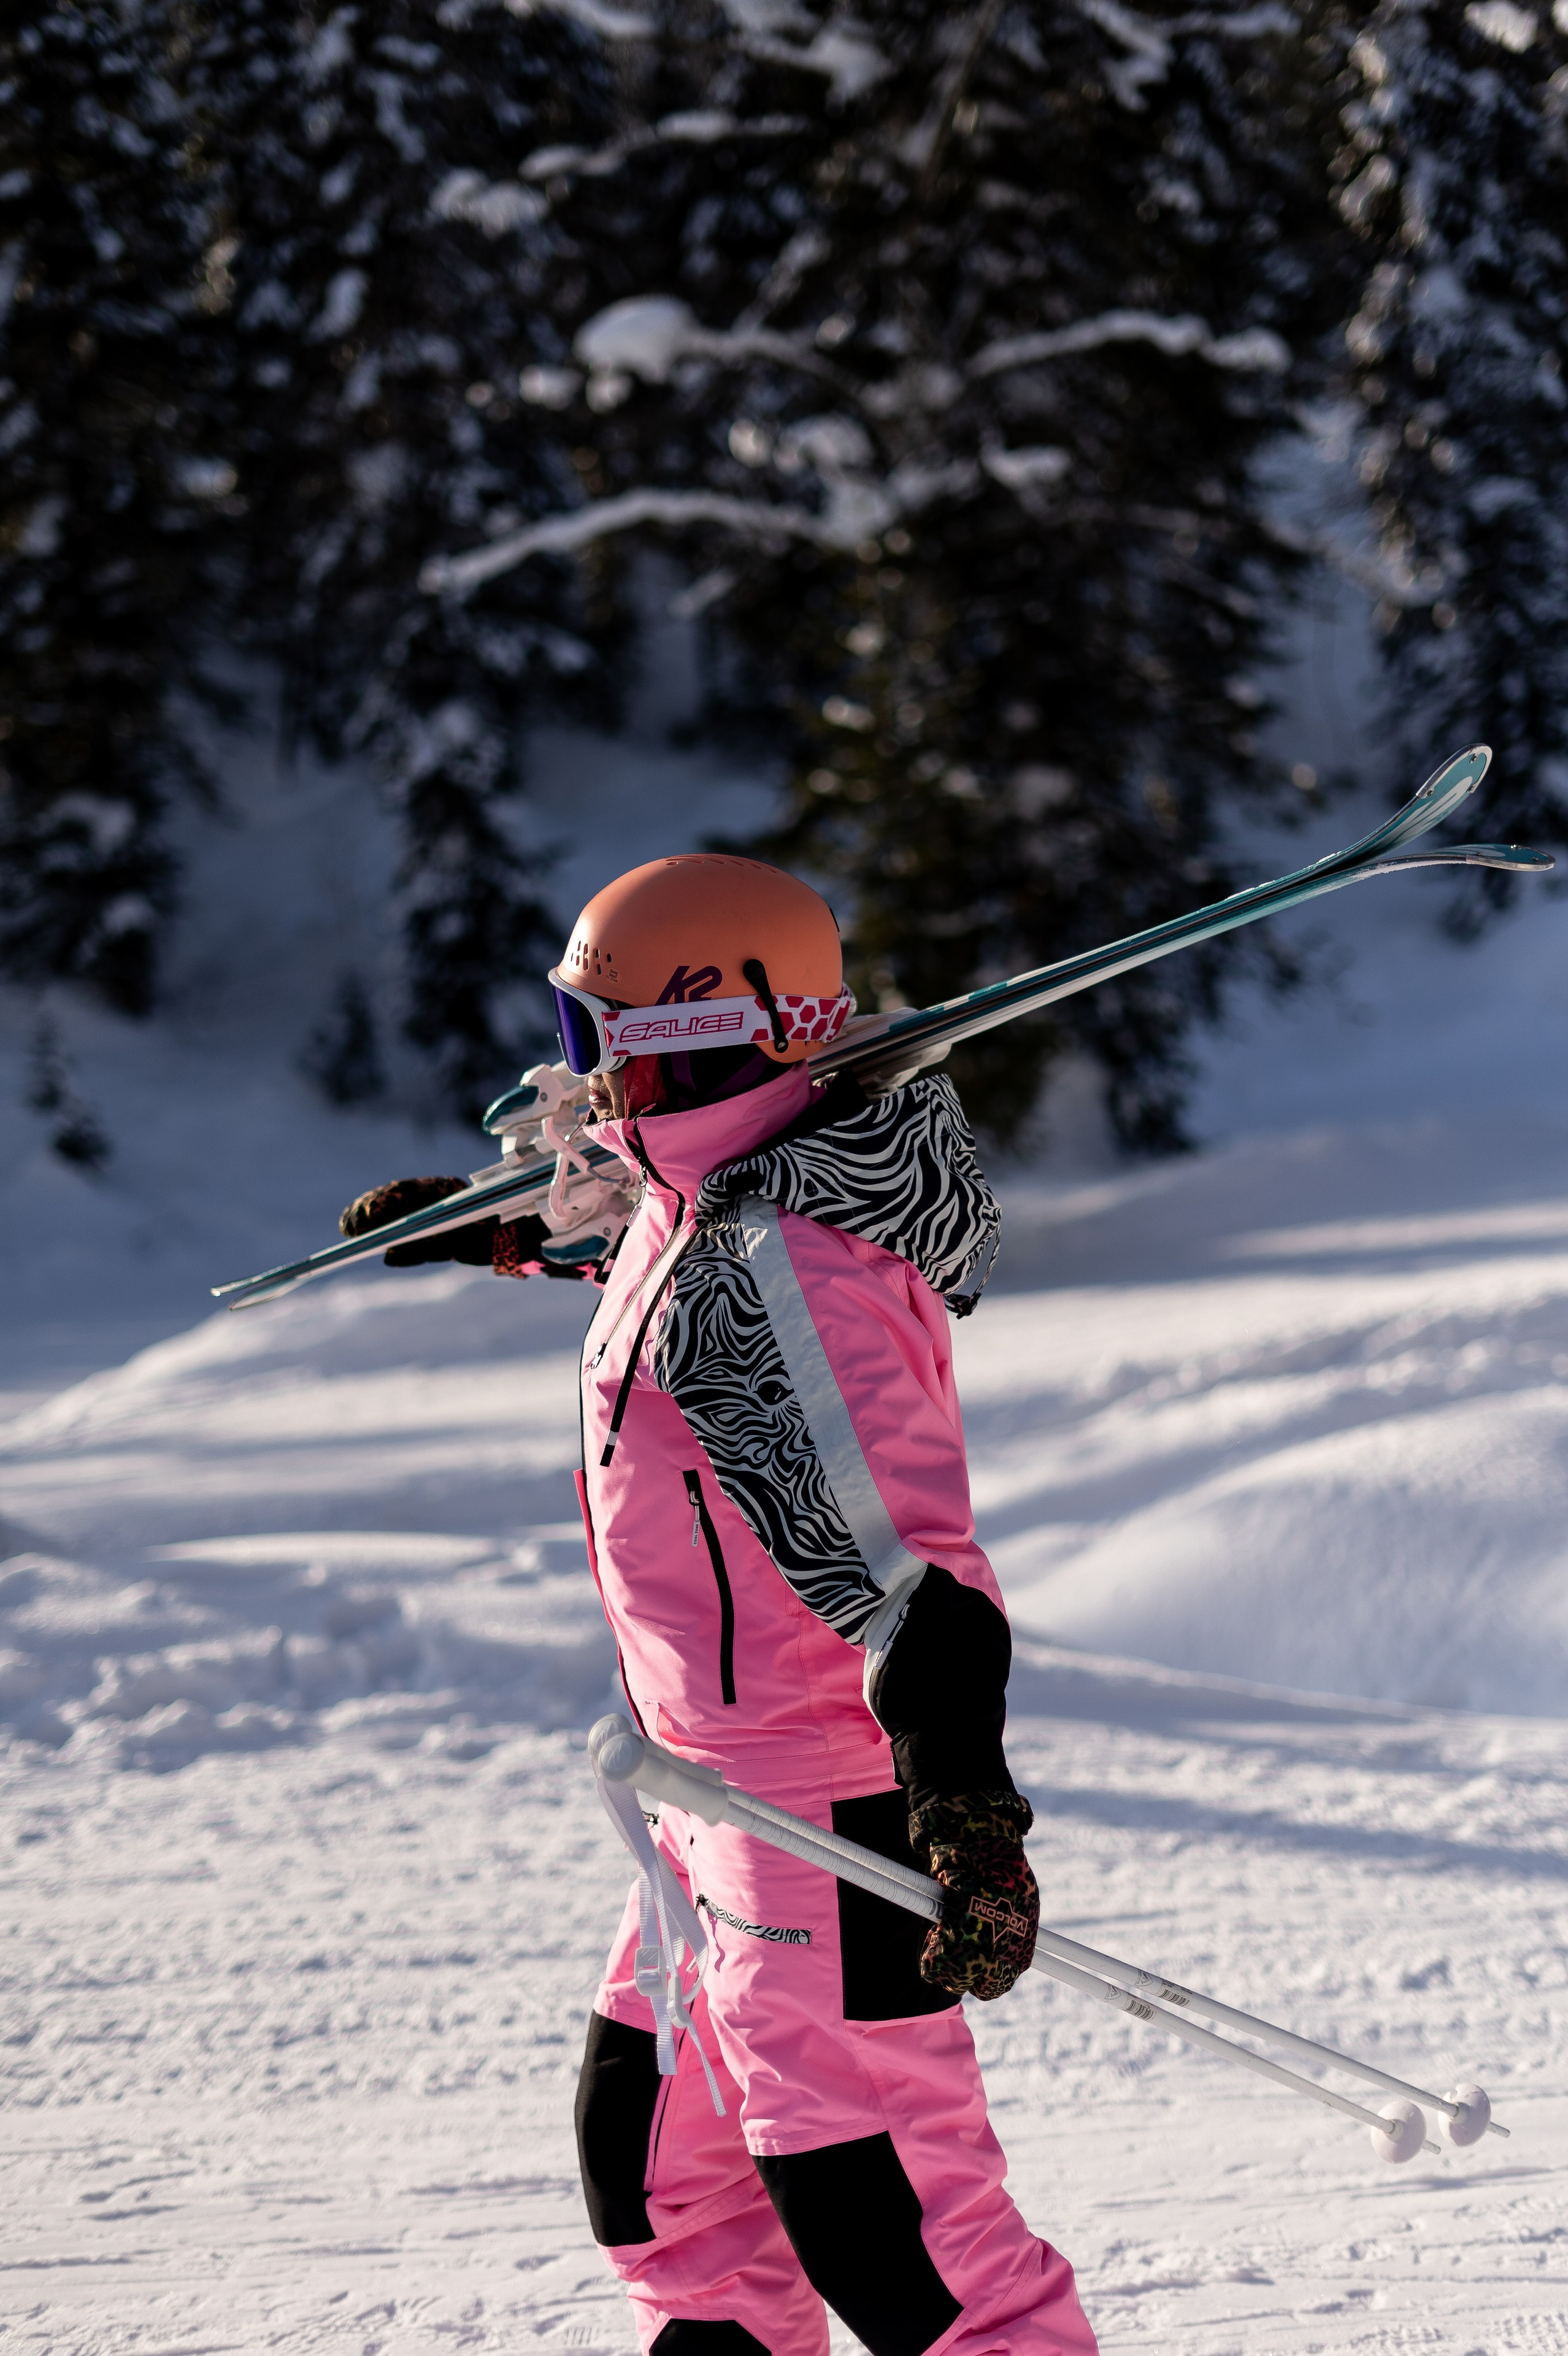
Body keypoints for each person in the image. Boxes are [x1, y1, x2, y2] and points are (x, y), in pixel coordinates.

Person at [341, 853, 1098, 2356]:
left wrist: (964, 1816)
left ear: (674, 1042)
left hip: (816, 1812)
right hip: (703, 1798)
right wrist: (503, 1229)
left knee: (898, 2246)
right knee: (658, 2180)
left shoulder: (778, 1267)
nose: (566, 1082)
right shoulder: (711, 1190)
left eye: (586, 1043)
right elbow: (661, 1256)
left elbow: (911, 1577)